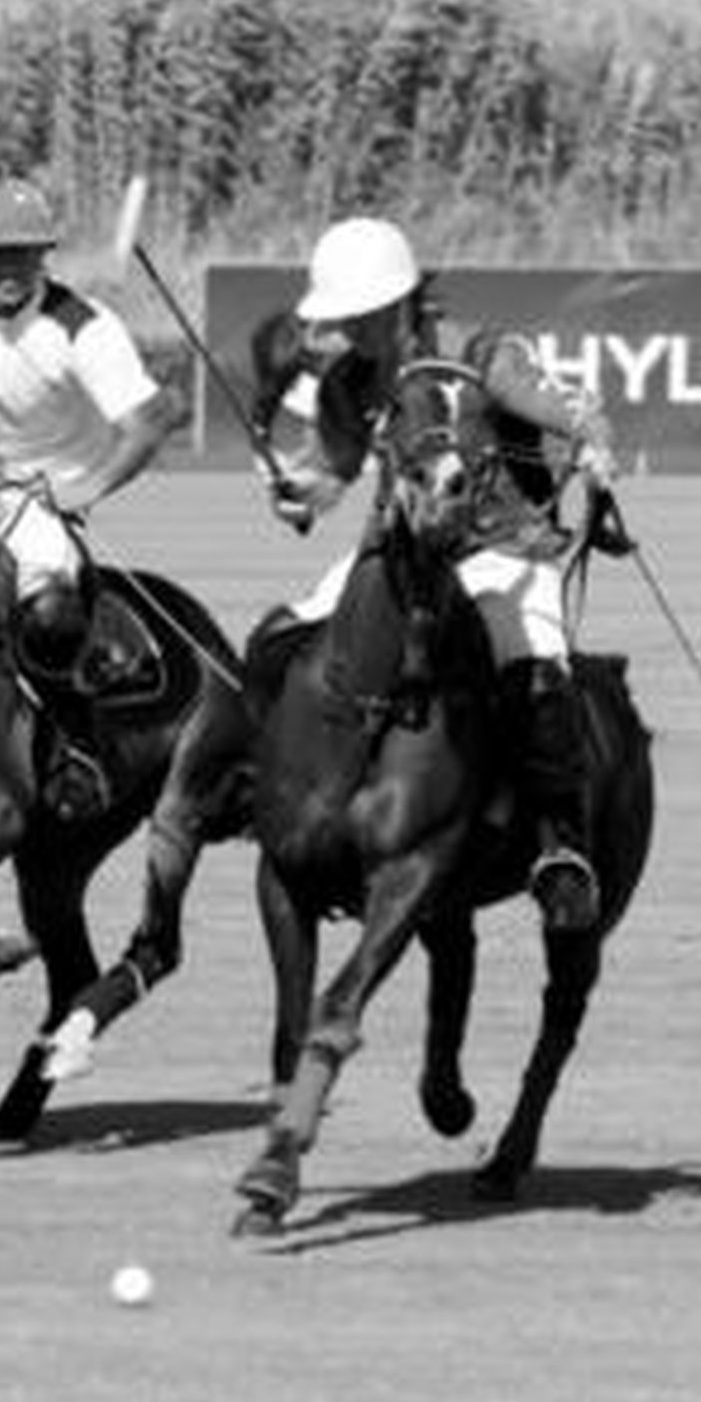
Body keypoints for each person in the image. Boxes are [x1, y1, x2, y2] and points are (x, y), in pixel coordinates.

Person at [253, 214, 620, 934]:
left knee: (534, 667)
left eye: (354, 318)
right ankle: (258, 788)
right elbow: (333, 477)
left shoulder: (486, 354)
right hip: (398, 555)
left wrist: (598, 446)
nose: (343, 334)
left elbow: (574, 411)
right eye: (338, 321)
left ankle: (559, 849)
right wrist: (299, 494)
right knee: (282, 638)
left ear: (396, 305)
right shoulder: (353, 380)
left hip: (504, 552)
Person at [0, 175, 175, 683]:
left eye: (25, 254)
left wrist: (86, 488)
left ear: (43, 255)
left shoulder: (83, 325)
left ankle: (67, 734)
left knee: (51, 615)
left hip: (37, 497)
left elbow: (148, 423)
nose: (10, 268)